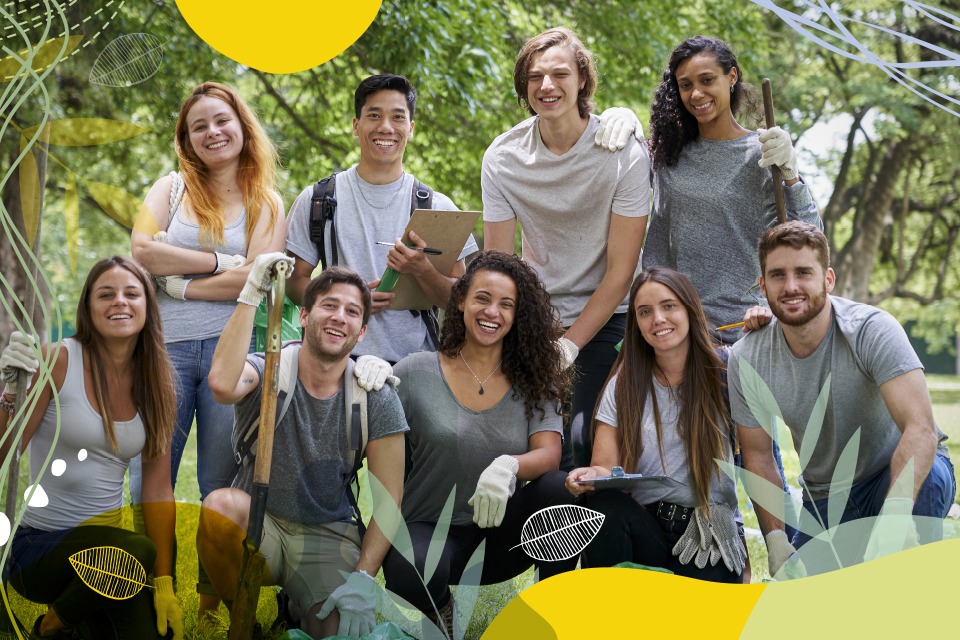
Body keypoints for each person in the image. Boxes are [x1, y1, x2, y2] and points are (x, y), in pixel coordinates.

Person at [129, 81, 287, 618]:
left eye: (222, 120)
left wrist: (180, 282)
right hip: (162, 352)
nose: (212, 132)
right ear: (187, 140)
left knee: (221, 480)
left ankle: (207, 604)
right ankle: (156, 591)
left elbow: (259, 282)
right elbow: (143, 250)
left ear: (242, 127)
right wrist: (224, 266)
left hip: (232, 358)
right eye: (199, 126)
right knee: (152, 472)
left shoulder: (266, 202)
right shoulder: (169, 190)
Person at [197, 256, 406, 640]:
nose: (339, 316)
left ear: (361, 333)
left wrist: (362, 578)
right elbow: (222, 386)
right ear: (306, 315)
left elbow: (390, 499)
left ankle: (296, 606)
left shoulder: (375, 396)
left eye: (352, 312)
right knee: (219, 508)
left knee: (338, 631)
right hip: (261, 525)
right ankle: (246, 624)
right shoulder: (269, 368)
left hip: (328, 533)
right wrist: (251, 294)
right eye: (329, 305)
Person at [730, 221, 954, 577]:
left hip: (892, 476)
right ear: (763, 286)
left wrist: (894, 518)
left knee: (916, 508)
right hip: (825, 500)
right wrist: (775, 539)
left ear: (828, 280)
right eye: (777, 275)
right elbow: (757, 454)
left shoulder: (872, 330)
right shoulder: (746, 358)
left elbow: (921, 429)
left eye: (804, 272)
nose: (790, 286)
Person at [482, 27, 650, 472]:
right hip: (537, 315)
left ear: (582, 80)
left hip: (608, 319)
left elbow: (621, 272)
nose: (547, 86)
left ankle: (588, 535)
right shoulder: (502, 157)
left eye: (559, 74)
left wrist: (570, 347)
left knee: (581, 438)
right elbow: (500, 265)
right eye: (535, 77)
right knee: (519, 438)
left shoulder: (622, 152)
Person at [382, 251, 576, 637]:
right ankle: (441, 611)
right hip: (431, 534)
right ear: (460, 300)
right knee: (410, 566)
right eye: (483, 298)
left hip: (503, 537)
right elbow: (369, 443)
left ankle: (555, 613)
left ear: (518, 315)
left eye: (507, 304)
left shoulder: (536, 379)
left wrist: (510, 465)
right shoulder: (414, 371)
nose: (493, 312)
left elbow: (550, 454)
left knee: (559, 488)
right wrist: (366, 377)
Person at [0, 257, 181, 639]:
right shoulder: (58, 361)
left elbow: (158, 490)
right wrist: (9, 395)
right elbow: (7, 451)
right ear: (88, 307)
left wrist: (163, 582)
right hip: (39, 551)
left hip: (114, 559)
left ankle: (72, 618)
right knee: (136, 550)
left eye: (132, 293)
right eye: (106, 294)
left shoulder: (158, 383)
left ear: (148, 306)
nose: (120, 301)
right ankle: (49, 628)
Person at [565, 268, 745, 583]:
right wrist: (588, 476)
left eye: (668, 306)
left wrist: (765, 325)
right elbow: (604, 467)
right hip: (645, 523)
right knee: (604, 507)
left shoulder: (727, 371)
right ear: (636, 324)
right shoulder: (624, 383)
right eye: (645, 312)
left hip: (704, 526)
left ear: (689, 310)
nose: (657, 319)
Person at [285, 73, 479, 365]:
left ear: (410, 128)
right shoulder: (318, 199)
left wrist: (423, 269)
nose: (385, 127)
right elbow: (293, 283)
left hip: (414, 368)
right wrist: (350, 301)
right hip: (336, 366)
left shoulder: (438, 207)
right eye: (373, 115)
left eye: (397, 117)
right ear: (356, 125)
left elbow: (460, 300)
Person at [638, 35, 822, 344]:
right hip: (678, 333)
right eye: (685, 85)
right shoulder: (666, 154)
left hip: (744, 331)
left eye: (707, 80)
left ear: (731, 77)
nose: (696, 93)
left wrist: (792, 176)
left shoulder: (762, 153)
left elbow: (811, 238)